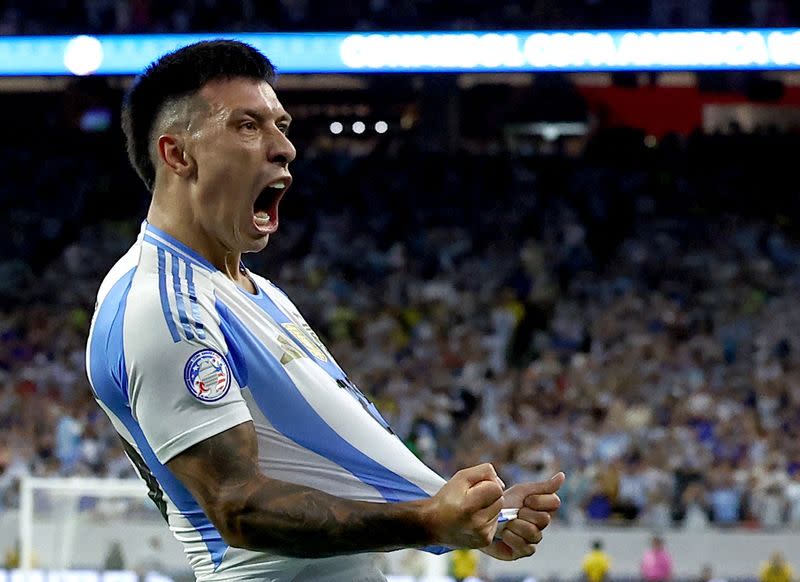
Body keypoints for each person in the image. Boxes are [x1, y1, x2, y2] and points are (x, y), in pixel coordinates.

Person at [85, 39, 565, 581]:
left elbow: (326, 463)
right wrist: (430, 522)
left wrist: (472, 513)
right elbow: (240, 508)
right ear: (177, 155)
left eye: (281, 126)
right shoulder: (161, 306)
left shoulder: (255, 293)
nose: (284, 147)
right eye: (248, 126)